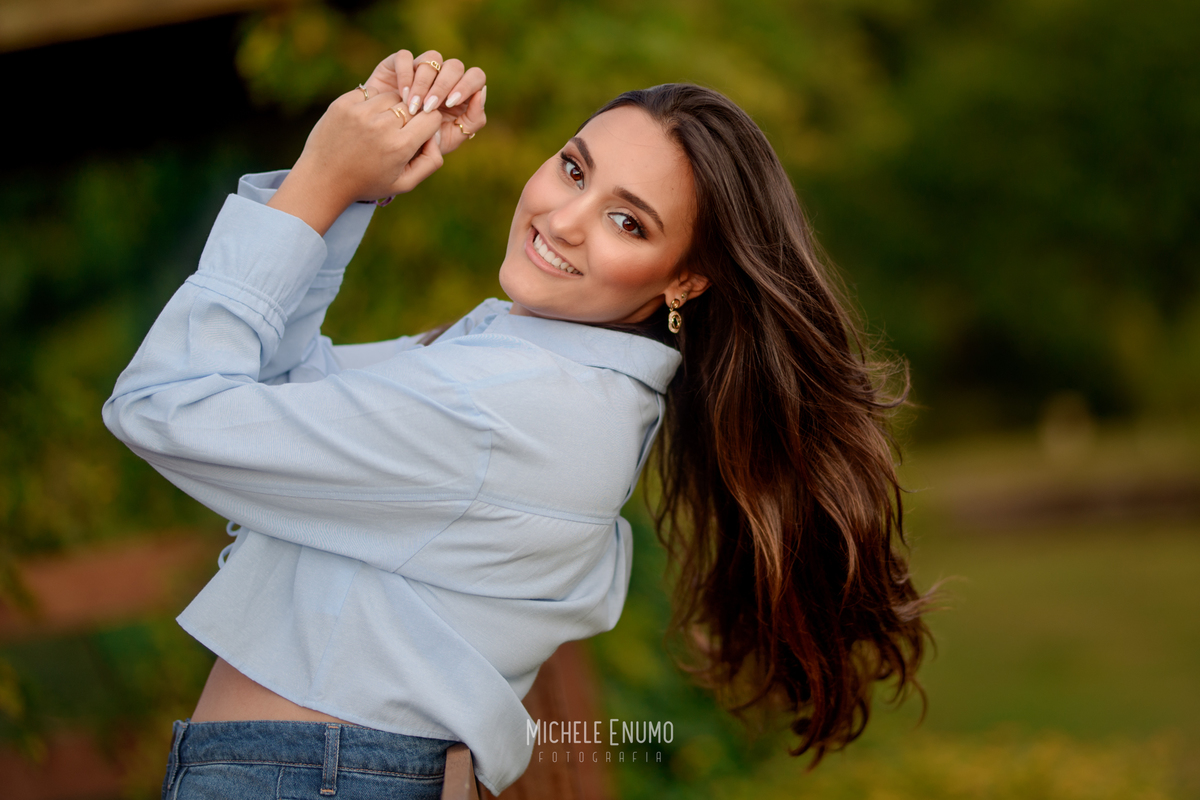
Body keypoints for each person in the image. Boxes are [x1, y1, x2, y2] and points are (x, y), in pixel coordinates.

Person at [104, 47, 933, 799]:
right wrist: (353, 183)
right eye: (574, 170)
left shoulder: (513, 405)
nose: (565, 219)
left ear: (685, 279)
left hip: (313, 777)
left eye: (627, 221)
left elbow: (166, 405)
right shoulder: (541, 381)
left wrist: (323, 177)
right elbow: (279, 396)